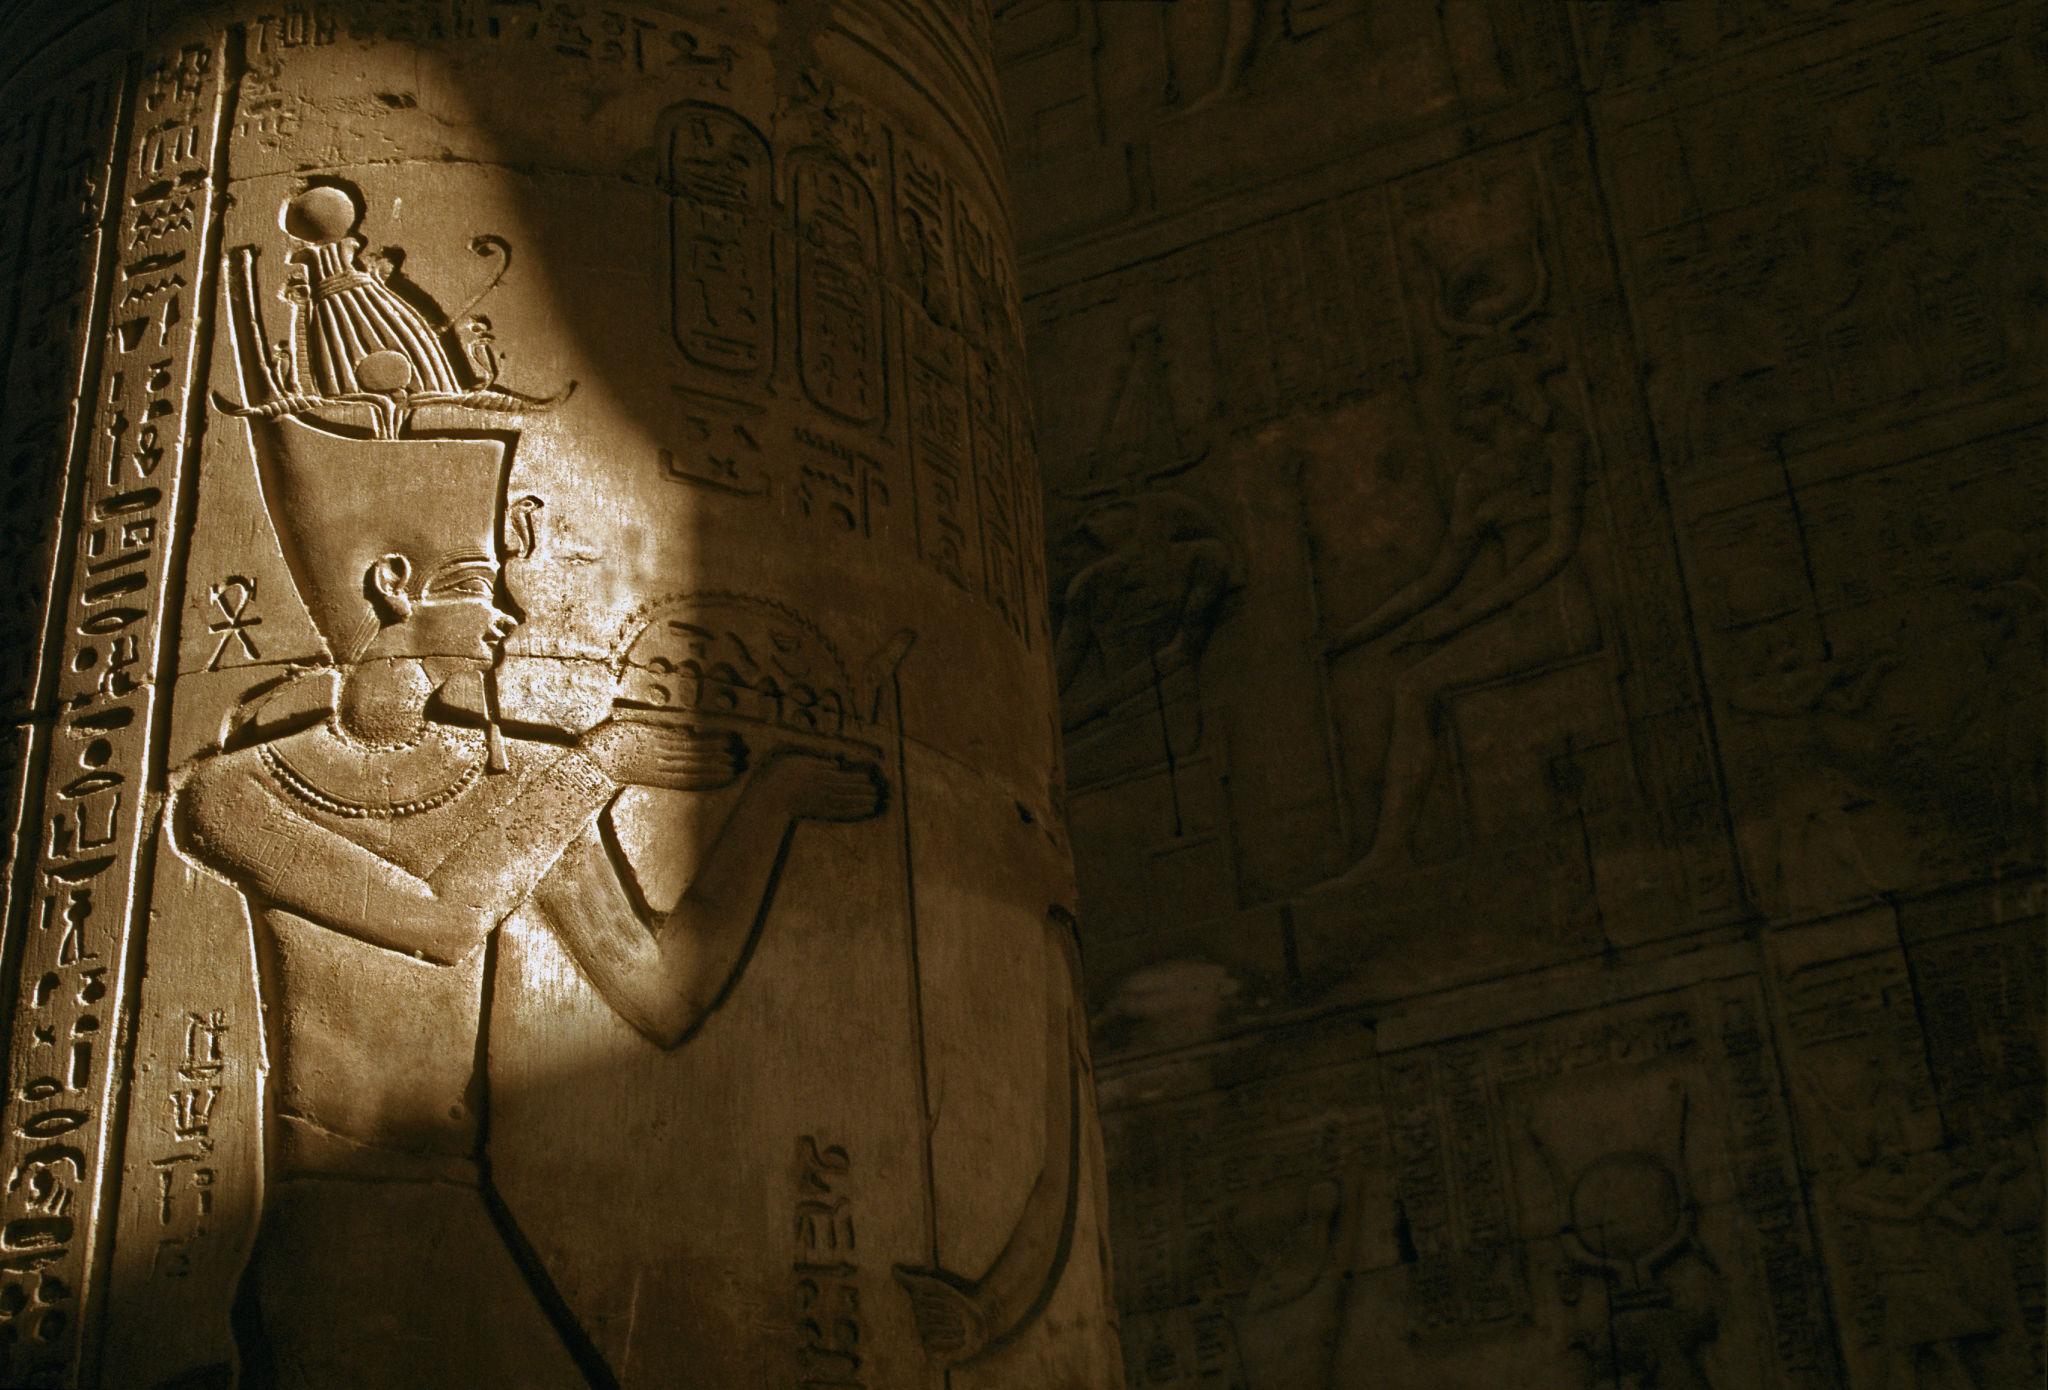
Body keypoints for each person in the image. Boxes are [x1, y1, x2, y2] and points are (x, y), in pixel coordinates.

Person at [177, 188, 885, 1387]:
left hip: (451, 1216)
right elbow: (440, 919)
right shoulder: (242, 794)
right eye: (473, 578)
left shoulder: (507, 785)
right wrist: (598, 765)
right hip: (341, 1228)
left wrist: (771, 807)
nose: (505, 610)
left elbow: (663, 992)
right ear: (390, 584)